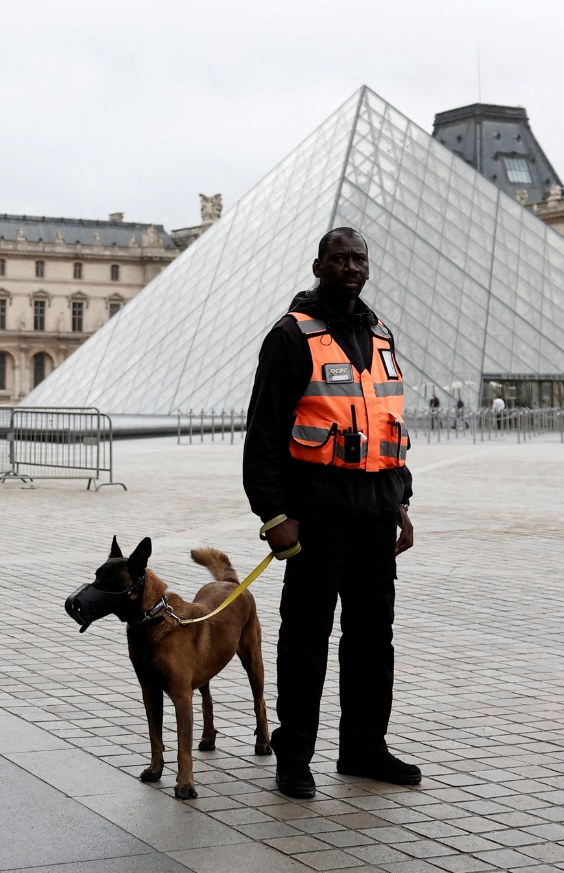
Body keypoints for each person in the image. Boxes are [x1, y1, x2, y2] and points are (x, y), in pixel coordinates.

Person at [244, 227, 418, 798]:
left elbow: (387, 423)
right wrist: (275, 515)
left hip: (374, 513)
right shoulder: (291, 336)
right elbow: (264, 434)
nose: (351, 266)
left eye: (359, 258)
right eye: (340, 258)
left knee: (373, 637)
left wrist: (403, 501)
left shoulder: (381, 332)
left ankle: (364, 747)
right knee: (306, 637)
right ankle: (293, 755)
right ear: (318, 265)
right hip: (317, 516)